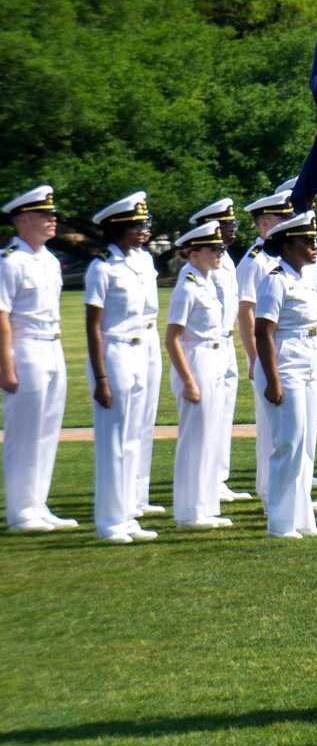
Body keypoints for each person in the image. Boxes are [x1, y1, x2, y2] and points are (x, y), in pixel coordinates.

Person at [85, 192, 161, 543]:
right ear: (117, 229)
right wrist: (100, 377)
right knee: (114, 439)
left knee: (134, 435)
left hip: (143, 349)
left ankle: (128, 513)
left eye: (144, 225)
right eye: (136, 226)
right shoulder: (102, 267)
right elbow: (94, 326)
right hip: (115, 352)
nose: (143, 231)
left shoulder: (142, 261)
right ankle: (110, 522)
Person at [253, 211, 317, 540]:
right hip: (284, 367)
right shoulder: (275, 280)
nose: (314, 245)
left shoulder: (303, 278)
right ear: (287, 245)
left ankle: (302, 518)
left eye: (314, 240)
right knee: (287, 443)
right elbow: (263, 332)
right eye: (306, 241)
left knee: (305, 444)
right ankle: (281, 522)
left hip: (307, 366)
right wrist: (273, 379)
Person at [2, 186, 72, 532]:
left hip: (53, 345)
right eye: (45, 215)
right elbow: (2, 315)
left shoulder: (47, 259)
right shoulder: (10, 261)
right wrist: (5, 365)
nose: (52, 219)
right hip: (25, 347)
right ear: (24, 219)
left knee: (47, 430)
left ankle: (38, 504)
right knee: (24, 432)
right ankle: (20, 511)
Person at [164, 222, 237, 528]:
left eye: (220, 248)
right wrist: (189, 381)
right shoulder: (188, 287)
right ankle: (189, 512)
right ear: (194, 254)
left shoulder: (207, 282)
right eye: (213, 249)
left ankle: (206, 507)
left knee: (211, 437)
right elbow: (173, 338)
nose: (219, 253)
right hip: (197, 360)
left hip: (215, 356)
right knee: (195, 439)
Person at [182, 197, 248, 504]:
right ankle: (205, 483)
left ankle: (218, 478)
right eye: (226, 225)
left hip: (226, 341)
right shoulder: (199, 268)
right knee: (207, 419)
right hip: (208, 345)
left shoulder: (226, 261)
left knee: (223, 416)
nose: (231, 230)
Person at [234, 185, 293, 500]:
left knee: (289, 425)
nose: (290, 220)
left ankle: (287, 485)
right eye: (282, 216)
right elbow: (247, 310)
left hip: (287, 347)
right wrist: (253, 357)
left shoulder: (283, 255)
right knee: (271, 426)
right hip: (268, 349)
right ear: (265, 222)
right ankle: (269, 487)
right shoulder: (255, 260)